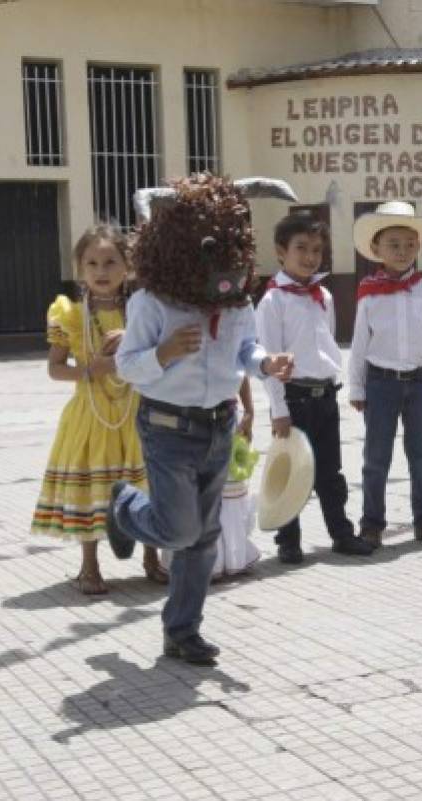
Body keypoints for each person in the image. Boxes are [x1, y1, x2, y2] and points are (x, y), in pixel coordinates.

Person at [106, 174, 295, 666]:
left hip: (218, 425)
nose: (227, 266)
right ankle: (125, 506)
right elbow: (127, 366)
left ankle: (182, 631)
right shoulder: (151, 303)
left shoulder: (237, 301)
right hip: (167, 426)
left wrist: (265, 364)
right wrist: (164, 352)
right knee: (179, 530)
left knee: (203, 537)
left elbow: (244, 348)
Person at [31, 223, 166, 595]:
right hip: (91, 416)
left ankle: (151, 558)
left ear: (129, 267)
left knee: (146, 484)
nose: (101, 271)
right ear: (80, 270)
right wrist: (91, 370)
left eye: (110, 262)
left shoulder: (142, 310)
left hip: (137, 409)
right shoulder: (70, 314)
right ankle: (89, 567)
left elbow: (161, 352)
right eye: (92, 263)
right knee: (94, 489)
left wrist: (132, 347)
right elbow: (55, 368)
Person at [255, 212, 375, 564]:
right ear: (280, 251)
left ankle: (341, 533)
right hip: (293, 399)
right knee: (291, 472)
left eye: (316, 250)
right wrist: (278, 410)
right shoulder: (272, 301)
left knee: (329, 472)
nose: (310, 257)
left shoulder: (323, 294)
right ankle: (287, 540)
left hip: (324, 396)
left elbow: (327, 344)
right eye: (301, 249)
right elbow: (268, 360)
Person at [348, 201, 422, 547]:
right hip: (381, 384)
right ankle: (372, 524)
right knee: (375, 458)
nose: (402, 251)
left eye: (409, 244)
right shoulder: (369, 292)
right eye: (393, 244)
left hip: (421, 383)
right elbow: (359, 342)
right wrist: (357, 387)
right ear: (376, 249)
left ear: (418, 247)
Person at [157, 378, 262, 580]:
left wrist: (249, 411)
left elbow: (241, 365)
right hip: (185, 420)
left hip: (224, 417)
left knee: (225, 491)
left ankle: (230, 559)